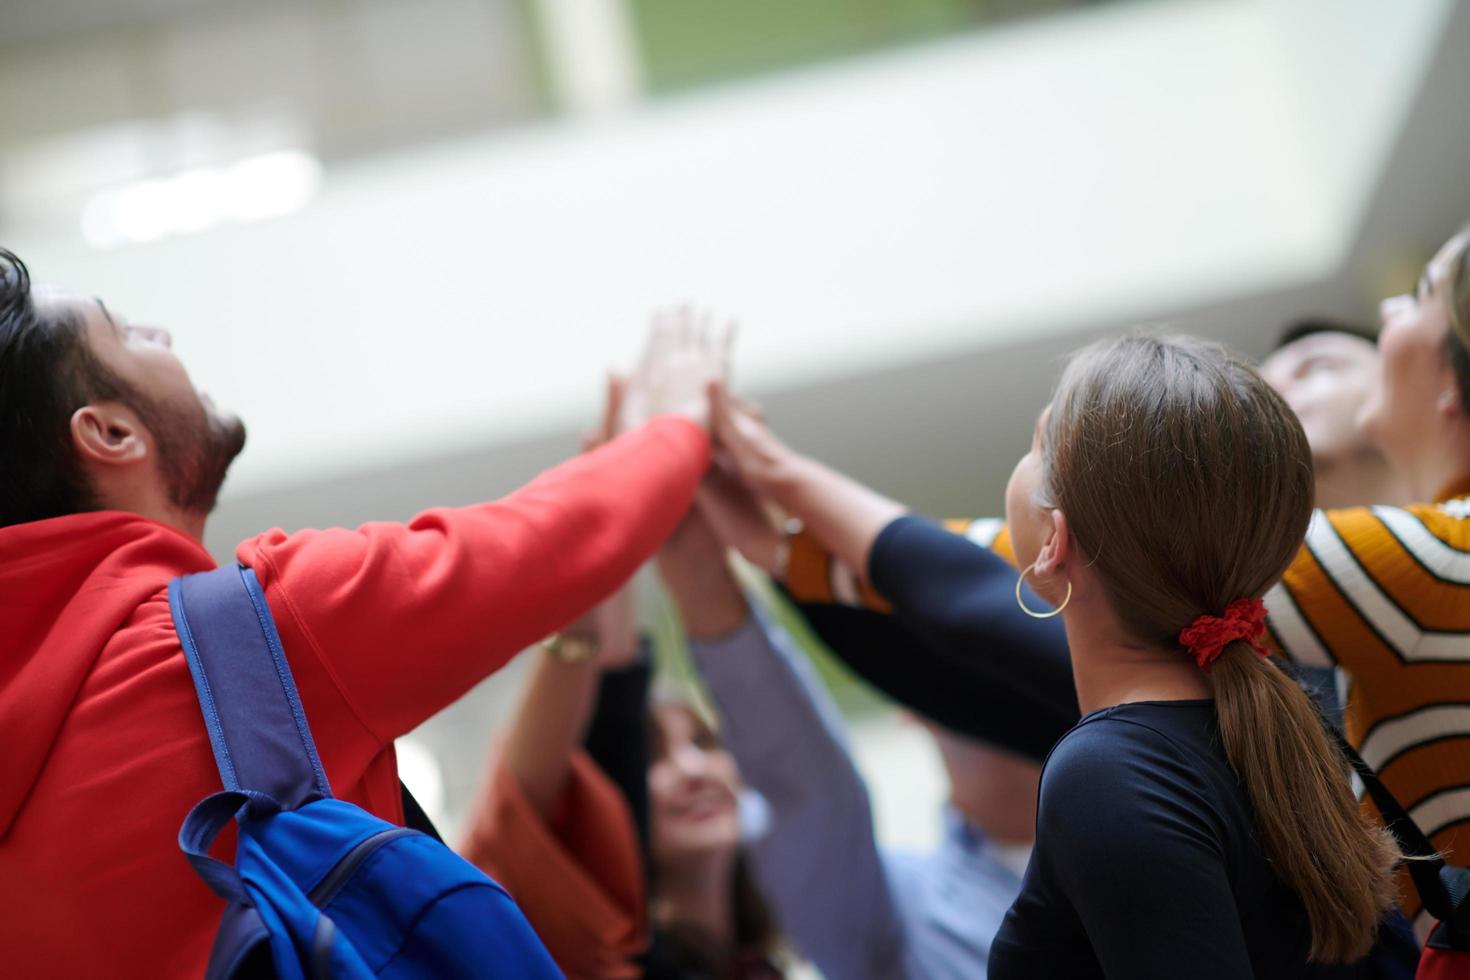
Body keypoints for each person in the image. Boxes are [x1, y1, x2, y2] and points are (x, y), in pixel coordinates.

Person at [703, 224, 1470, 932]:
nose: (1390, 306)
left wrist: (786, 509)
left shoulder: (1445, 561)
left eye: (1424, 295)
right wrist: (789, 538)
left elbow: (1030, 568)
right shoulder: (1201, 703)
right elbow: (1002, 601)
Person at [0, 249, 721, 976]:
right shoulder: (233, 648)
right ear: (111, 434)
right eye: (125, 333)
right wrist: (677, 426)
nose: (159, 332)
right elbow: (544, 544)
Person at [460, 378, 784, 980]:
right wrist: (610, 523)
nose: (692, 770)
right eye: (654, 757)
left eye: (706, 745)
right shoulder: (598, 951)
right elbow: (603, 718)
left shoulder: (770, 960)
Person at [657, 501, 1038, 980]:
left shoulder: (1142, 806)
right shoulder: (893, 908)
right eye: (963, 651)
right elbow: (808, 788)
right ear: (909, 705)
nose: (1004, 673)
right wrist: (703, 583)